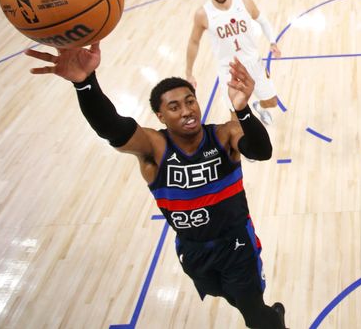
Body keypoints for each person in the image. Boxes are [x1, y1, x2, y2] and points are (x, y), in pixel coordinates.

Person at [24, 43, 287, 329]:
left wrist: (242, 109)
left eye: (190, 101)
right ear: (160, 116)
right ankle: (259, 308)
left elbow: (261, 151)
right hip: (193, 249)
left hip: (236, 245)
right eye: (174, 107)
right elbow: (112, 127)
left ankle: (272, 318)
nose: (187, 111)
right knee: (228, 295)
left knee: (254, 314)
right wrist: (85, 83)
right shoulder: (155, 147)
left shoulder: (224, 135)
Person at [186, 0, 282, 125]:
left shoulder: (245, 2)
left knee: (272, 102)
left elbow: (263, 21)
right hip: (230, 70)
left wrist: (272, 41)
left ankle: (257, 105)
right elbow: (193, 42)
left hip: (254, 63)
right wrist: (189, 73)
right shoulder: (203, 14)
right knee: (236, 118)